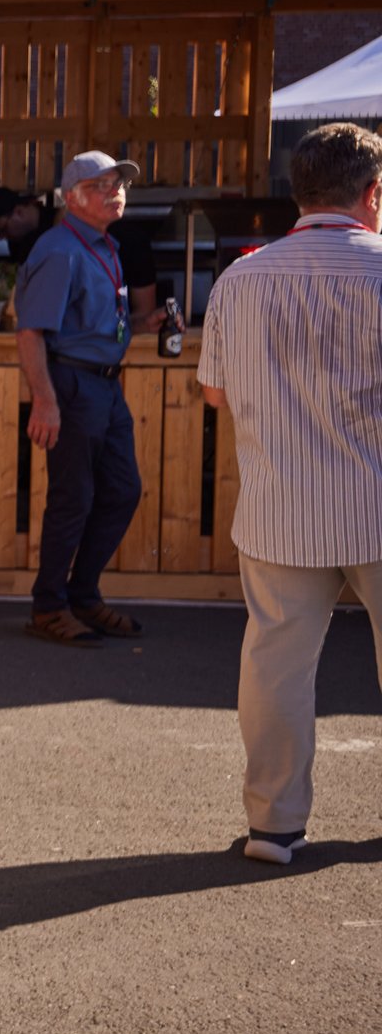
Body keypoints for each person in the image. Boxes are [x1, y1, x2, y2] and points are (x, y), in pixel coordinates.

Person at [195, 122, 382, 866]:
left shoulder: (242, 277)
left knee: (275, 667)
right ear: (373, 193)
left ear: (298, 192)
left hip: (279, 502)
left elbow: (214, 393)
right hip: (376, 497)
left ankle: (273, 825)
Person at [13, 150, 167, 647]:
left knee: (122, 491)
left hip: (104, 384)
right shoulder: (60, 250)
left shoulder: (105, 246)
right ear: (71, 198)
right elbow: (31, 332)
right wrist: (45, 401)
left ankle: (82, 595)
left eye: (119, 184)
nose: (115, 192)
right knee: (72, 499)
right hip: (73, 386)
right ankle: (49, 605)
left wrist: (148, 324)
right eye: (101, 185)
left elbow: (100, 324)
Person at [0, 183, 160, 320]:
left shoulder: (129, 240)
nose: (2, 238)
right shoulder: (21, 244)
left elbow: (144, 311)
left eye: (1, 229)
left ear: (19, 212)